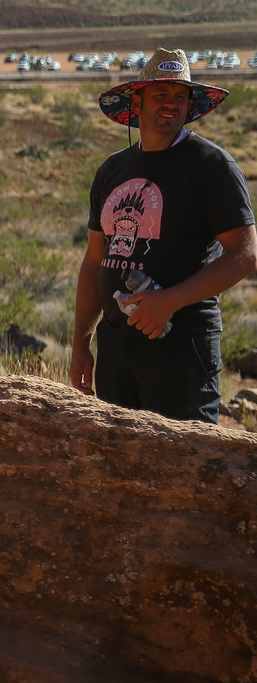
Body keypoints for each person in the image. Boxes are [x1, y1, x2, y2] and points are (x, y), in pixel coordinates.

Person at [70, 46, 257, 423]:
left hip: (181, 349)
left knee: (187, 456)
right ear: (137, 103)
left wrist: (168, 301)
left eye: (180, 96)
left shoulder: (211, 165)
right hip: (116, 349)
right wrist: (80, 344)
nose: (171, 103)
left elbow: (245, 254)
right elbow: (94, 261)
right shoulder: (112, 169)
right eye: (161, 94)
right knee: (118, 454)